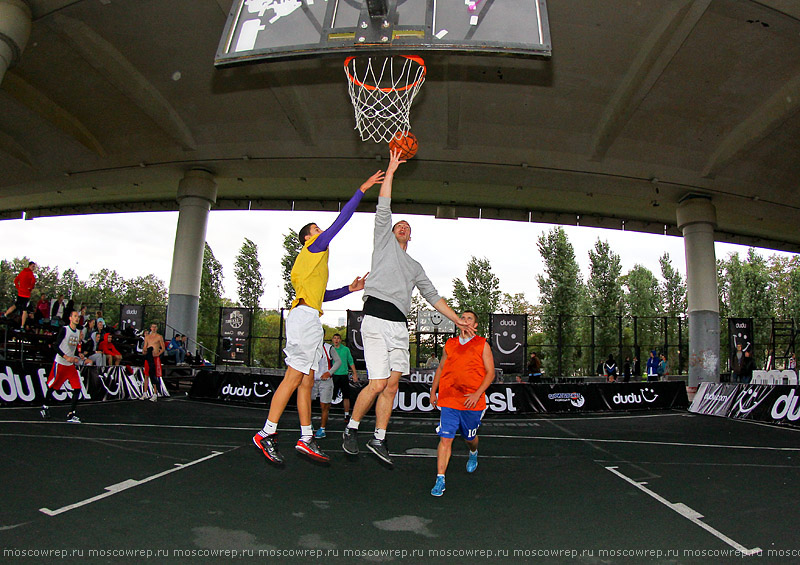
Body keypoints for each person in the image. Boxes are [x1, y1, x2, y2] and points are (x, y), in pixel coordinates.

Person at [343, 150, 472, 466]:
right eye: (397, 224)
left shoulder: (415, 266)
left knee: (392, 384)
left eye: (405, 226)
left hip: (399, 326)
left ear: (410, 236)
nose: (401, 226)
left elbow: (434, 296)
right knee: (376, 383)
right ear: (389, 230)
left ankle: (379, 439)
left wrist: (458, 320)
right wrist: (391, 168)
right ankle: (351, 428)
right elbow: (384, 203)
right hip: (374, 317)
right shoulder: (383, 242)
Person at [252, 167, 385, 465]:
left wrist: (349, 289)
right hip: (303, 320)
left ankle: (306, 437)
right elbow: (341, 221)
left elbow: (321, 296)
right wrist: (361, 190)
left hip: (308, 316)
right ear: (307, 238)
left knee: (306, 382)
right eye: (316, 228)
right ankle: (267, 433)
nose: (321, 230)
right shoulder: (315, 247)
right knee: (293, 377)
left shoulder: (310, 266)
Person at [429, 310, 495, 497]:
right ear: (458, 323)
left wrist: (477, 394)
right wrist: (433, 391)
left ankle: (473, 452)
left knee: (469, 438)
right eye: (463, 318)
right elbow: (441, 368)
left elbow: (490, 373)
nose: (465, 321)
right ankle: (440, 478)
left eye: (469, 319)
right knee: (446, 438)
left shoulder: (482, 344)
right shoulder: (449, 344)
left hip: (472, 401)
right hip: (449, 398)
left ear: (475, 326)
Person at [40, 309, 84, 423]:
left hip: (70, 366)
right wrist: (66, 357)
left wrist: (78, 355)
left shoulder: (77, 332)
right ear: (70, 318)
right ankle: (45, 406)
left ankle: (71, 413)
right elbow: (55, 346)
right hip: (60, 363)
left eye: (78, 317)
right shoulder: (64, 330)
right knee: (53, 386)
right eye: (74, 316)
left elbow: (72, 349)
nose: (76, 318)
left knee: (77, 388)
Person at [312, 341, 341, 439]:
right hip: (311, 380)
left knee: (324, 405)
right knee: (306, 403)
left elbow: (338, 361)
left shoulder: (329, 348)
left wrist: (329, 372)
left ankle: (322, 429)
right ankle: (307, 425)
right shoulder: (309, 345)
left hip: (325, 380)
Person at [330, 333, 358, 422]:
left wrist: (355, 374)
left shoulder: (345, 349)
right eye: (334, 338)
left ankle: (346, 414)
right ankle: (326, 412)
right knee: (329, 395)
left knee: (346, 396)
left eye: (338, 338)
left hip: (343, 375)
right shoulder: (330, 349)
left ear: (340, 340)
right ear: (332, 340)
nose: (336, 340)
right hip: (333, 375)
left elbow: (350, 361)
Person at [4, 261, 37, 330]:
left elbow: (16, 280)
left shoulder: (22, 272)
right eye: (33, 266)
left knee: (16, 305)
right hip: (26, 294)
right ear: (29, 266)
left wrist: (18, 287)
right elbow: (33, 281)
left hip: (20, 293)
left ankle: (5, 314)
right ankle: (22, 325)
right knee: (24, 310)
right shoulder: (30, 273)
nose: (34, 268)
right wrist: (30, 288)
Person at [141, 323, 166, 401]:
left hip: (155, 357)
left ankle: (155, 393)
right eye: (152, 327)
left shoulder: (159, 337)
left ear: (157, 328)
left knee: (155, 374)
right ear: (150, 328)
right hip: (149, 356)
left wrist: (158, 354)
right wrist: (144, 351)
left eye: (155, 327)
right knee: (146, 375)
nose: (154, 328)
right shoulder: (147, 337)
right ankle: (145, 393)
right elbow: (145, 347)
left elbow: (163, 348)